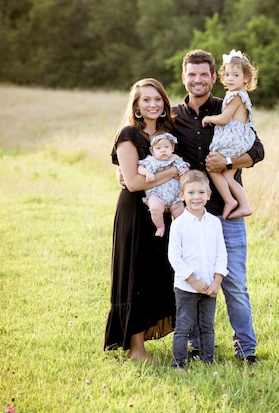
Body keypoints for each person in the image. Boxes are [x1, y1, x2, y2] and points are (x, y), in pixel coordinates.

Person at [173, 49, 265, 365]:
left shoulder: (227, 104)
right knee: (194, 281)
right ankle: (199, 347)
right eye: (192, 74)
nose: (198, 80)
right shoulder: (174, 117)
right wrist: (122, 165)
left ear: (214, 77)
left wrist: (227, 161)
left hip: (225, 215)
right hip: (192, 216)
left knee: (235, 283)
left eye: (204, 74)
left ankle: (246, 350)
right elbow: (149, 143)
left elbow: (258, 150)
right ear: (184, 78)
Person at [104, 78, 178, 362]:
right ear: (136, 106)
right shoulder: (128, 135)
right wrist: (170, 173)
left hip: (162, 213)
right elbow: (133, 182)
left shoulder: (168, 133)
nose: (152, 104)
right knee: (134, 272)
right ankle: (136, 349)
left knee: (156, 273)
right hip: (135, 212)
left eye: (157, 99)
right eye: (146, 100)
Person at [168, 170, 227, 368]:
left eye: (201, 192)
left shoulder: (214, 223)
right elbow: (174, 257)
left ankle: (208, 361)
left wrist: (217, 281)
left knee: (207, 326)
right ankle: (179, 364)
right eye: (191, 192)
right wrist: (193, 281)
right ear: (182, 195)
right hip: (187, 287)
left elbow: (221, 253)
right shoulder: (179, 225)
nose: (196, 197)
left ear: (209, 195)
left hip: (210, 286)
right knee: (184, 326)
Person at [202, 49, 258, 220]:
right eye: (227, 75)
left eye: (235, 75)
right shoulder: (237, 95)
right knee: (227, 176)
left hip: (234, 140)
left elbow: (225, 118)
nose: (230, 79)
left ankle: (229, 200)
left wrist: (209, 118)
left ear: (246, 78)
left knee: (211, 165)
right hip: (240, 139)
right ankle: (244, 204)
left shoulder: (236, 96)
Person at [138, 132, 190, 237]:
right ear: (152, 151)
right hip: (156, 194)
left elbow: (186, 168)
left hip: (174, 195)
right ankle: (160, 227)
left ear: (172, 148)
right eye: (158, 148)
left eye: (166, 147)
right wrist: (147, 172)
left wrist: (185, 170)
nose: (163, 150)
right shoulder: (151, 161)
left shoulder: (176, 160)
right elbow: (139, 168)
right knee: (155, 208)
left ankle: (182, 230)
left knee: (180, 211)